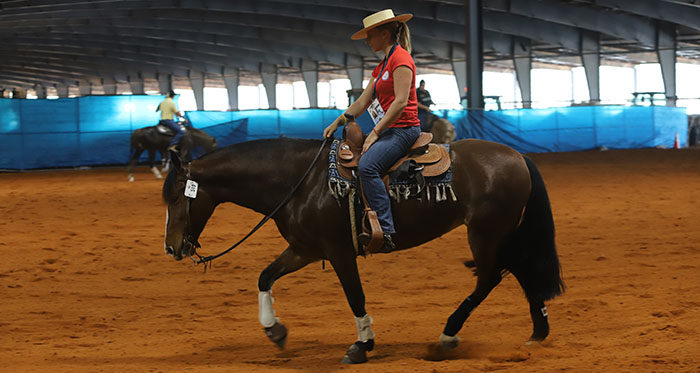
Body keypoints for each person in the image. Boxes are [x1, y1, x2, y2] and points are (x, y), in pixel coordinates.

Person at [323, 9, 420, 253]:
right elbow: (362, 102)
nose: (367, 41)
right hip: (390, 130)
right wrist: (339, 121)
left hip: (404, 130)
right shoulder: (381, 67)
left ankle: (385, 230)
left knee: (368, 166)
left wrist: (375, 132)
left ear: (384, 34)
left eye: (370, 36)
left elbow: (399, 102)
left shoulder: (401, 60)